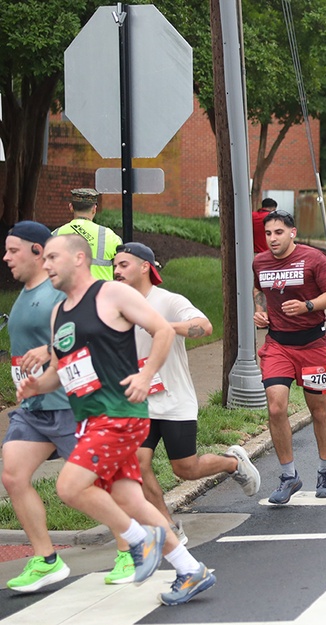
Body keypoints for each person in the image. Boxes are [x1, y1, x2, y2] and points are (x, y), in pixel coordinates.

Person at [18, 234, 215, 605]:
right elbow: (62, 370)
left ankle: (141, 544)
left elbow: (160, 330)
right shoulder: (59, 312)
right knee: (130, 499)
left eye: (52, 258)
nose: (45, 265)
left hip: (120, 414)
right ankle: (191, 571)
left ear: (79, 259)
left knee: (70, 487)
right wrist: (35, 386)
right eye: (43, 259)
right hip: (90, 418)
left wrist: (146, 375)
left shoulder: (111, 294)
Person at [114, 242, 260, 546]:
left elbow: (203, 326)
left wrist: (163, 326)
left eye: (123, 264)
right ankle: (167, 528)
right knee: (137, 463)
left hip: (173, 399)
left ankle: (232, 462)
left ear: (145, 267)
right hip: (138, 402)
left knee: (186, 468)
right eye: (114, 265)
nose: (116, 271)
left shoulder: (166, 301)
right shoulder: (114, 305)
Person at [2, 222, 77, 592]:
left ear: (37, 251)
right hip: (33, 408)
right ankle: (47, 559)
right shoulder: (26, 293)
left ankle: (138, 543)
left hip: (66, 404)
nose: (6, 258)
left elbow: (82, 332)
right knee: (13, 476)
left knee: (98, 484)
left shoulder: (56, 293)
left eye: (13, 250)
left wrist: (49, 352)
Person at [252, 210, 326, 504]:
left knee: (319, 410)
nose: (272, 239)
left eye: (278, 232)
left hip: (313, 343)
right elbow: (259, 288)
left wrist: (308, 306)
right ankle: (289, 476)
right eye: (268, 233)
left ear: (293, 232)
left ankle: (325, 469)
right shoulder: (260, 261)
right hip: (277, 344)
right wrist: (261, 310)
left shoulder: (313, 259)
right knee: (276, 408)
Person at [52, 188, 123, 282]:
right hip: (100, 293)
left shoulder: (55, 235)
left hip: (65, 294)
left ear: (71, 207)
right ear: (94, 209)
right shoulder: (109, 236)